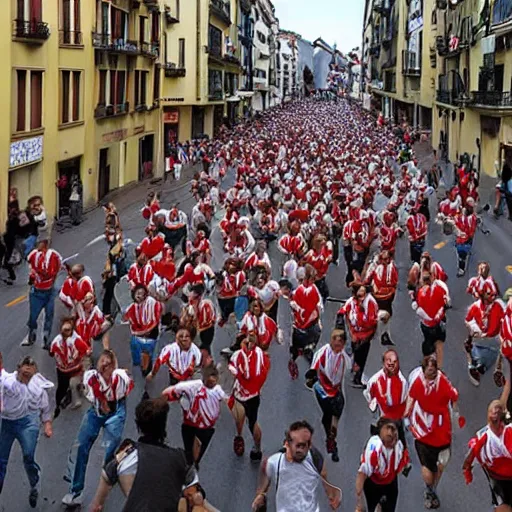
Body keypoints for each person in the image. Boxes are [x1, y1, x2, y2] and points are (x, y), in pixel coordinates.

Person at [90, 398, 214, 512]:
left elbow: (97, 506)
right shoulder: (181, 459)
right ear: (164, 425)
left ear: (138, 425)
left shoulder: (124, 455)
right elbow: (197, 499)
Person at [63, 350, 133, 506]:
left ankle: (107, 476)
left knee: (110, 448)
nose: (105, 365)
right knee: (81, 446)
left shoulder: (120, 377)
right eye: (103, 361)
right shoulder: (91, 377)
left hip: (116, 411)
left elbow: (128, 381)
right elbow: (90, 387)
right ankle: (75, 490)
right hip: (95, 411)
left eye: (109, 362)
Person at [406, 356, 464, 509]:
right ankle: (431, 488)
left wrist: (405, 418)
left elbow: (410, 400)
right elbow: (454, 396)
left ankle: (430, 488)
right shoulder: (441, 382)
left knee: (432, 465)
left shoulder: (422, 382)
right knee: (438, 464)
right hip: (435, 432)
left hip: (429, 432)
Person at [0, 353, 53, 508]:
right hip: (8, 424)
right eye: (24, 374)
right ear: (18, 370)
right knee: (1, 461)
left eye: (30, 375)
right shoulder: (8, 382)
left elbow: (44, 406)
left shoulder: (36, 387)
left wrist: (47, 423)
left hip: (28, 422)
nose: (27, 378)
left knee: (28, 456)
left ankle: (34, 483)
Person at [252, 420, 341, 512]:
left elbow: (323, 474)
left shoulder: (314, 458)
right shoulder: (276, 461)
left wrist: (331, 494)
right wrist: (261, 495)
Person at [163, 366, 229, 468]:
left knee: (197, 454)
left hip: (206, 427)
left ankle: (192, 467)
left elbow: (225, 399)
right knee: (190, 452)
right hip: (190, 424)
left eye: (214, 381)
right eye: (210, 381)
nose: (212, 384)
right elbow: (172, 391)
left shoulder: (217, 390)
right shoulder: (192, 386)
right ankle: (191, 468)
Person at [305, 329, 350, 462]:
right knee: (328, 415)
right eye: (334, 343)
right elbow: (314, 367)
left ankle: (332, 438)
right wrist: (312, 375)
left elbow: (350, 365)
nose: (336, 347)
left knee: (337, 412)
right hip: (323, 390)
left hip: (337, 390)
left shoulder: (343, 355)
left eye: (339, 344)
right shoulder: (323, 352)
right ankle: (331, 439)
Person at [463, 400, 512, 512]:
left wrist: (467, 471)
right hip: (497, 479)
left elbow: (470, 457)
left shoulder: (507, 433)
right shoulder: (482, 439)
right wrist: (467, 472)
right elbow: (470, 456)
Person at [229, 334, 270, 460]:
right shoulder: (261, 356)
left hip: (241, 394)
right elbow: (265, 370)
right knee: (252, 423)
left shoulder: (237, 355)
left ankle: (239, 436)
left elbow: (233, 370)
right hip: (254, 395)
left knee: (240, 417)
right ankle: (257, 449)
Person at [355, 417, 410, 512]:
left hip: (390, 483)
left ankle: (380, 505)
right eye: (387, 429)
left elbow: (400, 464)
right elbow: (362, 472)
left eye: (393, 430)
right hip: (373, 484)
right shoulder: (374, 449)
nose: (390, 433)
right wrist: (359, 501)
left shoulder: (399, 447)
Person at [24, 233, 63, 348]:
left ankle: (46, 337)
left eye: (39, 243)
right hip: (37, 291)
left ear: (45, 244)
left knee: (49, 314)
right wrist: (32, 275)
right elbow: (29, 264)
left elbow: (57, 269)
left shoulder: (54, 256)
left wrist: (52, 282)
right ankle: (32, 330)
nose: (37, 245)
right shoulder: (34, 255)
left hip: (49, 291)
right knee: (33, 316)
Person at [338, 283, 378, 388]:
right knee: (356, 353)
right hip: (354, 334)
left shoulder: (370, 303)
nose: (362, 296)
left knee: (362, 356)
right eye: (359, 293)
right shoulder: (351, 302)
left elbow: (371, 322)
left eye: (363, 293)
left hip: (365, 336)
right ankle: (355, 370)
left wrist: (360, 314)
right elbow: (343, 311)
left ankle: (358, 377)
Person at [49, 317, 90, 418]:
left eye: (68, 330)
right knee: (62, 386)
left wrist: (83, 362)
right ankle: (62, 401)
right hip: (62, 369)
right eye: (64, 329)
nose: (66, 332)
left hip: (76, 368)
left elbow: (87, 351)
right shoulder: (56, 341)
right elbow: (51, 353)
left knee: (72, 383)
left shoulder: (76, 341)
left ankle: (77, 396)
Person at [287, 264, 322, 380]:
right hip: (298, 326)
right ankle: (293, 361)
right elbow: (293, 306)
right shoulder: (296, 292)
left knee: (310, 349)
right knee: (295, 349)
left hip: (311, 326)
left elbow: (318, 307)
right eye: (301, 280)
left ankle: (313, 371)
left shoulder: (315, 291)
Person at [410, 270, 450, 368]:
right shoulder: (439, 290)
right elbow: (445, 304)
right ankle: (439, 369)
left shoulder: (420, 293)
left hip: (426, 325)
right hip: (438, 323)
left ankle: (426, 364)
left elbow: (417, 307)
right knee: (439, 345)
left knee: (428, 344)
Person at [123, 284, 163, 377]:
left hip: (151, 333)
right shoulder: (132, 307)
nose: (139, 295)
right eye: (137, 293)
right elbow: (126, 319)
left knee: (146, 349)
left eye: (141, 293)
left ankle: (146, 368)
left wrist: (145, 330)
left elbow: (155, 320)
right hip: (138, 334)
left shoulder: (152, 303)